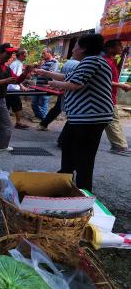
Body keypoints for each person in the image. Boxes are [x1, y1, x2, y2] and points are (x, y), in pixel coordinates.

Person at [36, 34, 113, 192]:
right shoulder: (90, 62)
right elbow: (68, 77)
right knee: (68, 147)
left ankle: (83, 192)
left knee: (84, 157)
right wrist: (46, 74)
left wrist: (52, 84)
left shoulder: (92, 61)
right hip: (80, 118)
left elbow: (74, 84)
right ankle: (64, 180)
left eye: (76, 45)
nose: (73, 49)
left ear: (84, 48)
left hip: (90, 118)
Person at [101, 40, 131, 156]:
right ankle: (119, 146)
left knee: (110, 120)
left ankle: (118, 145)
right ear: (109, 48)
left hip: (110, 95)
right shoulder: (105, 61)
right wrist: (121, 85)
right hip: (106, 96)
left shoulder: (110, 60)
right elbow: (104, 81)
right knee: (113, 120)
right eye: (119, 46)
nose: (121, 47)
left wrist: (123, 55)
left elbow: (115, 75)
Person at [36, 59, 80, 132]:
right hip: (71, 90)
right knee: (69, 110)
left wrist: (56, 84)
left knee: (57, 107)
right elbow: (74, 80)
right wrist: (56, 84)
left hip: (64, 88)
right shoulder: (79, 64)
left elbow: (63, 76)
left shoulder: (68, 63)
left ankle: (43, 124)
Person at [30, 48, 59, 122]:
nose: (42, 55)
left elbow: (51, 74)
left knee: (43, 103)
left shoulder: (54, 62)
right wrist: (36, 71)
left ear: (49, 53)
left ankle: (43, 119)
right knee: (34, 103)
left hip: (46, 86)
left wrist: (40, 71)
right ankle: (38, 116)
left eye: (44, 53)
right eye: (42, 53)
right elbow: (38, 73)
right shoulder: (43, 62)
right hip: (38, 85)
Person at [6, 48, 30, 129]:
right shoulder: (17, 64)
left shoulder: (17, 63)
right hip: (12, 88)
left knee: (7, 106)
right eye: (24, 55)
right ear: (21, 55)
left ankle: (4, 122)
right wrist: (22, 86)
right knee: (17, 106)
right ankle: (18, 122)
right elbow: (15, 77)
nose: (25, 57)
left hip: (11, 88)